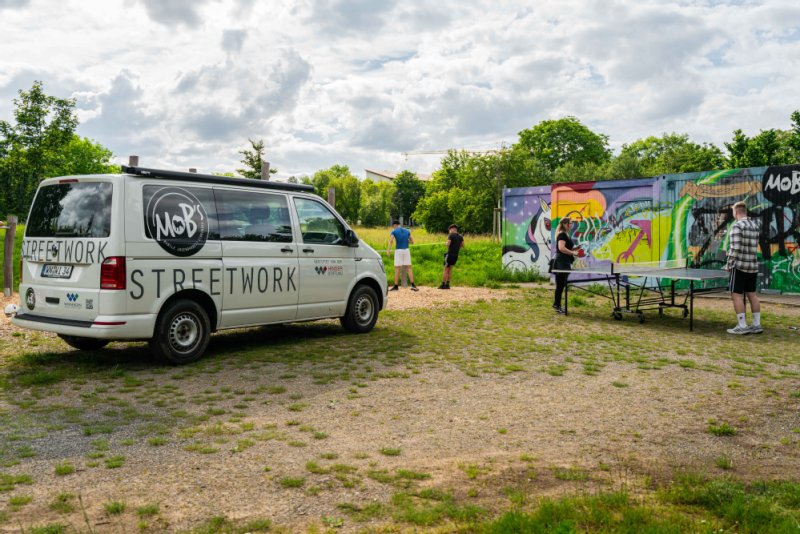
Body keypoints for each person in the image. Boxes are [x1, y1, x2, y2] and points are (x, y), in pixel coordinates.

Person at [724, 201, 762, 334]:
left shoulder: (737, 226)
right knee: (752, 294)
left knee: (736, 296)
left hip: (739, 266)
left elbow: (735, 249)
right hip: (752, 266)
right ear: (745, 211)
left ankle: (742, 326)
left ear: (736, 212)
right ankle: (756, 325)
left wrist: (728, 264)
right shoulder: (755, 225)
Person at [552, 217, 583, 314]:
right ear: (565, 224)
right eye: (570, 223)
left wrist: (576, 248)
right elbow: (561, 248)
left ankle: (557, 304)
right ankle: (557, 306)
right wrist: (573, 253)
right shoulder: (562, 234)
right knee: (560, 285)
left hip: (564, 262)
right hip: (561, 263)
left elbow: (567, 248)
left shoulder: (566, 234)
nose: (572, 225)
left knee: (561, 285)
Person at [387, 220, 418, 291]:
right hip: (406, 250)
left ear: (395, 225)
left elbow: (391, 241)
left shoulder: (394, 231)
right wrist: (407, 241)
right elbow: (412, 242)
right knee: (409, 268)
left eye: (393, 226)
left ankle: (396, 286)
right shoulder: (407, 231)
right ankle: (413, 285)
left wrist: (388, 250)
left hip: (398, 250)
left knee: (397, 269)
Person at [438, 224, 464, 289]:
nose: (449, 231)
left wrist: (446, 243)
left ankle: (443, 284)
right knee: (450, 270)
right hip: (456, 256)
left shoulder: (450, 235)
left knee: (445, 269)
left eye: (449, 230)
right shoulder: (460, 236)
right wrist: (456, 246)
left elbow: (448, 244)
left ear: (452, 229)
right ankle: (448, 284)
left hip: (449, 255)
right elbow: (463, 246)